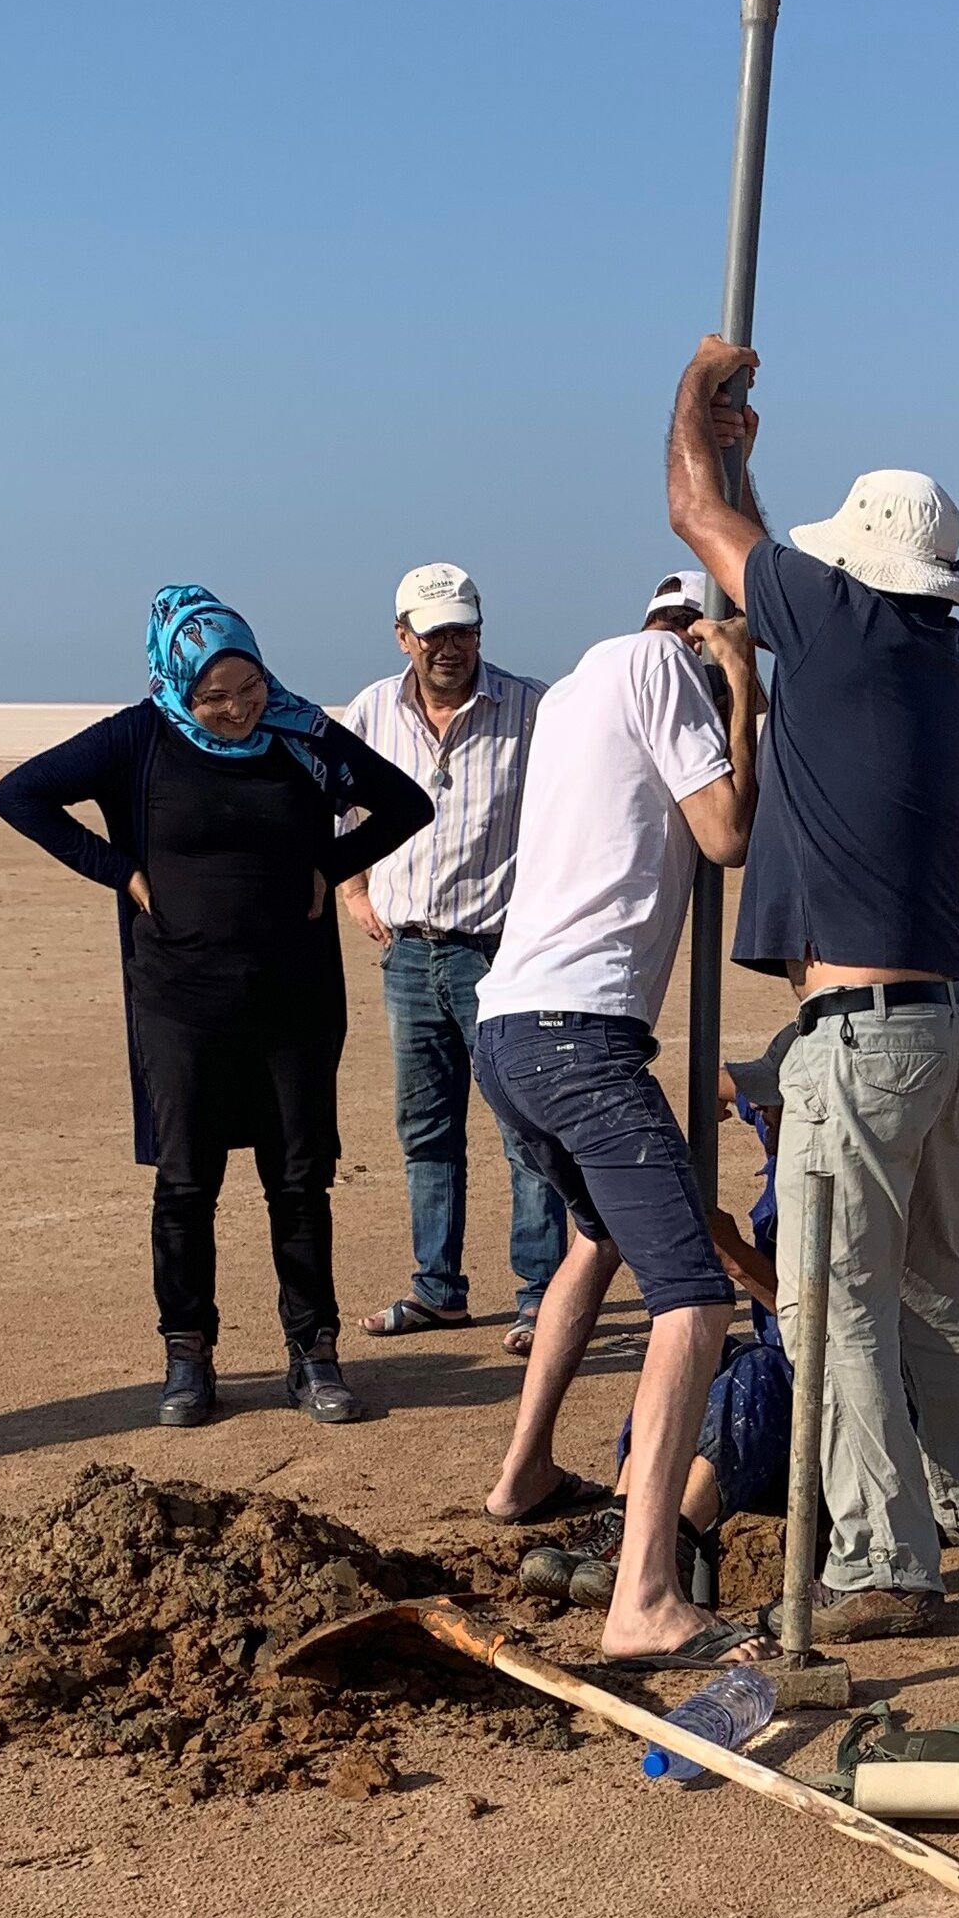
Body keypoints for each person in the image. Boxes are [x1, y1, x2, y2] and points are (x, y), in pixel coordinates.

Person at [665, 335, 959, 1642]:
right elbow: (754, 549)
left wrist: (698, 400)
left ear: (852, 566)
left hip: (867, 1038)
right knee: (933, 1277)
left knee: (832, 1303)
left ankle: (881, 1560)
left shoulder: (842, 617)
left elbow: (697, 511)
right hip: (946, 1023)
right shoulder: (936, 653)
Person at [0, 584, 431, 1432]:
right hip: (179, 1000)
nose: (236, 710)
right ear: (177, 683)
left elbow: (407, 803)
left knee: (299, 1179)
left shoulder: (302, 737)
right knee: (187, 1183)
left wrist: (332, 861)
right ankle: (187, 1356)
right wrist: (119, 870)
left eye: (250, 688)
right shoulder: (137, 738)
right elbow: (20, 794)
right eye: (215, 696)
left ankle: (314, 1354)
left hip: (293, 997)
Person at [471, 615, 771, 1668]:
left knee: (593, 1240)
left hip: (506, 1029)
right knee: (692, 1296)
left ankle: (523, 1472)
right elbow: (728, 829)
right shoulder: (663, 671)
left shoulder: (573, 690)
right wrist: (742, 686)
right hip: (581, 1037)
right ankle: (643, 1595)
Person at [331, 563, 565, 1353]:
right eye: (433, 633)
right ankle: (439, 1289)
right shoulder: (370, 710)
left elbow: (573, 810)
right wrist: (354, 889)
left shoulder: (532, 708)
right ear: (404, 636)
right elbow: (337, 805)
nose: (449, 647)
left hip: (501, 955)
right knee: (425, 1128)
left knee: (524, 1128)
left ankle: (541, 1293)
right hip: (407, 953)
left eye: (462, 630)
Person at [611, 1034, 797, 1601]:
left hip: (821, 1387)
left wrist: (737, 1259)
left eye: (772, 1104)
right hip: (782, 1367)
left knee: (759, 1371)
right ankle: (620, 1523)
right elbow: (717, 1082)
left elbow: (825, 1324)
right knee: (696, 1357)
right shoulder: (777, 1128)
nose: (759, 1113)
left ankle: (676, 1536)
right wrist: (724, 1099)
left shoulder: (829, 1180)